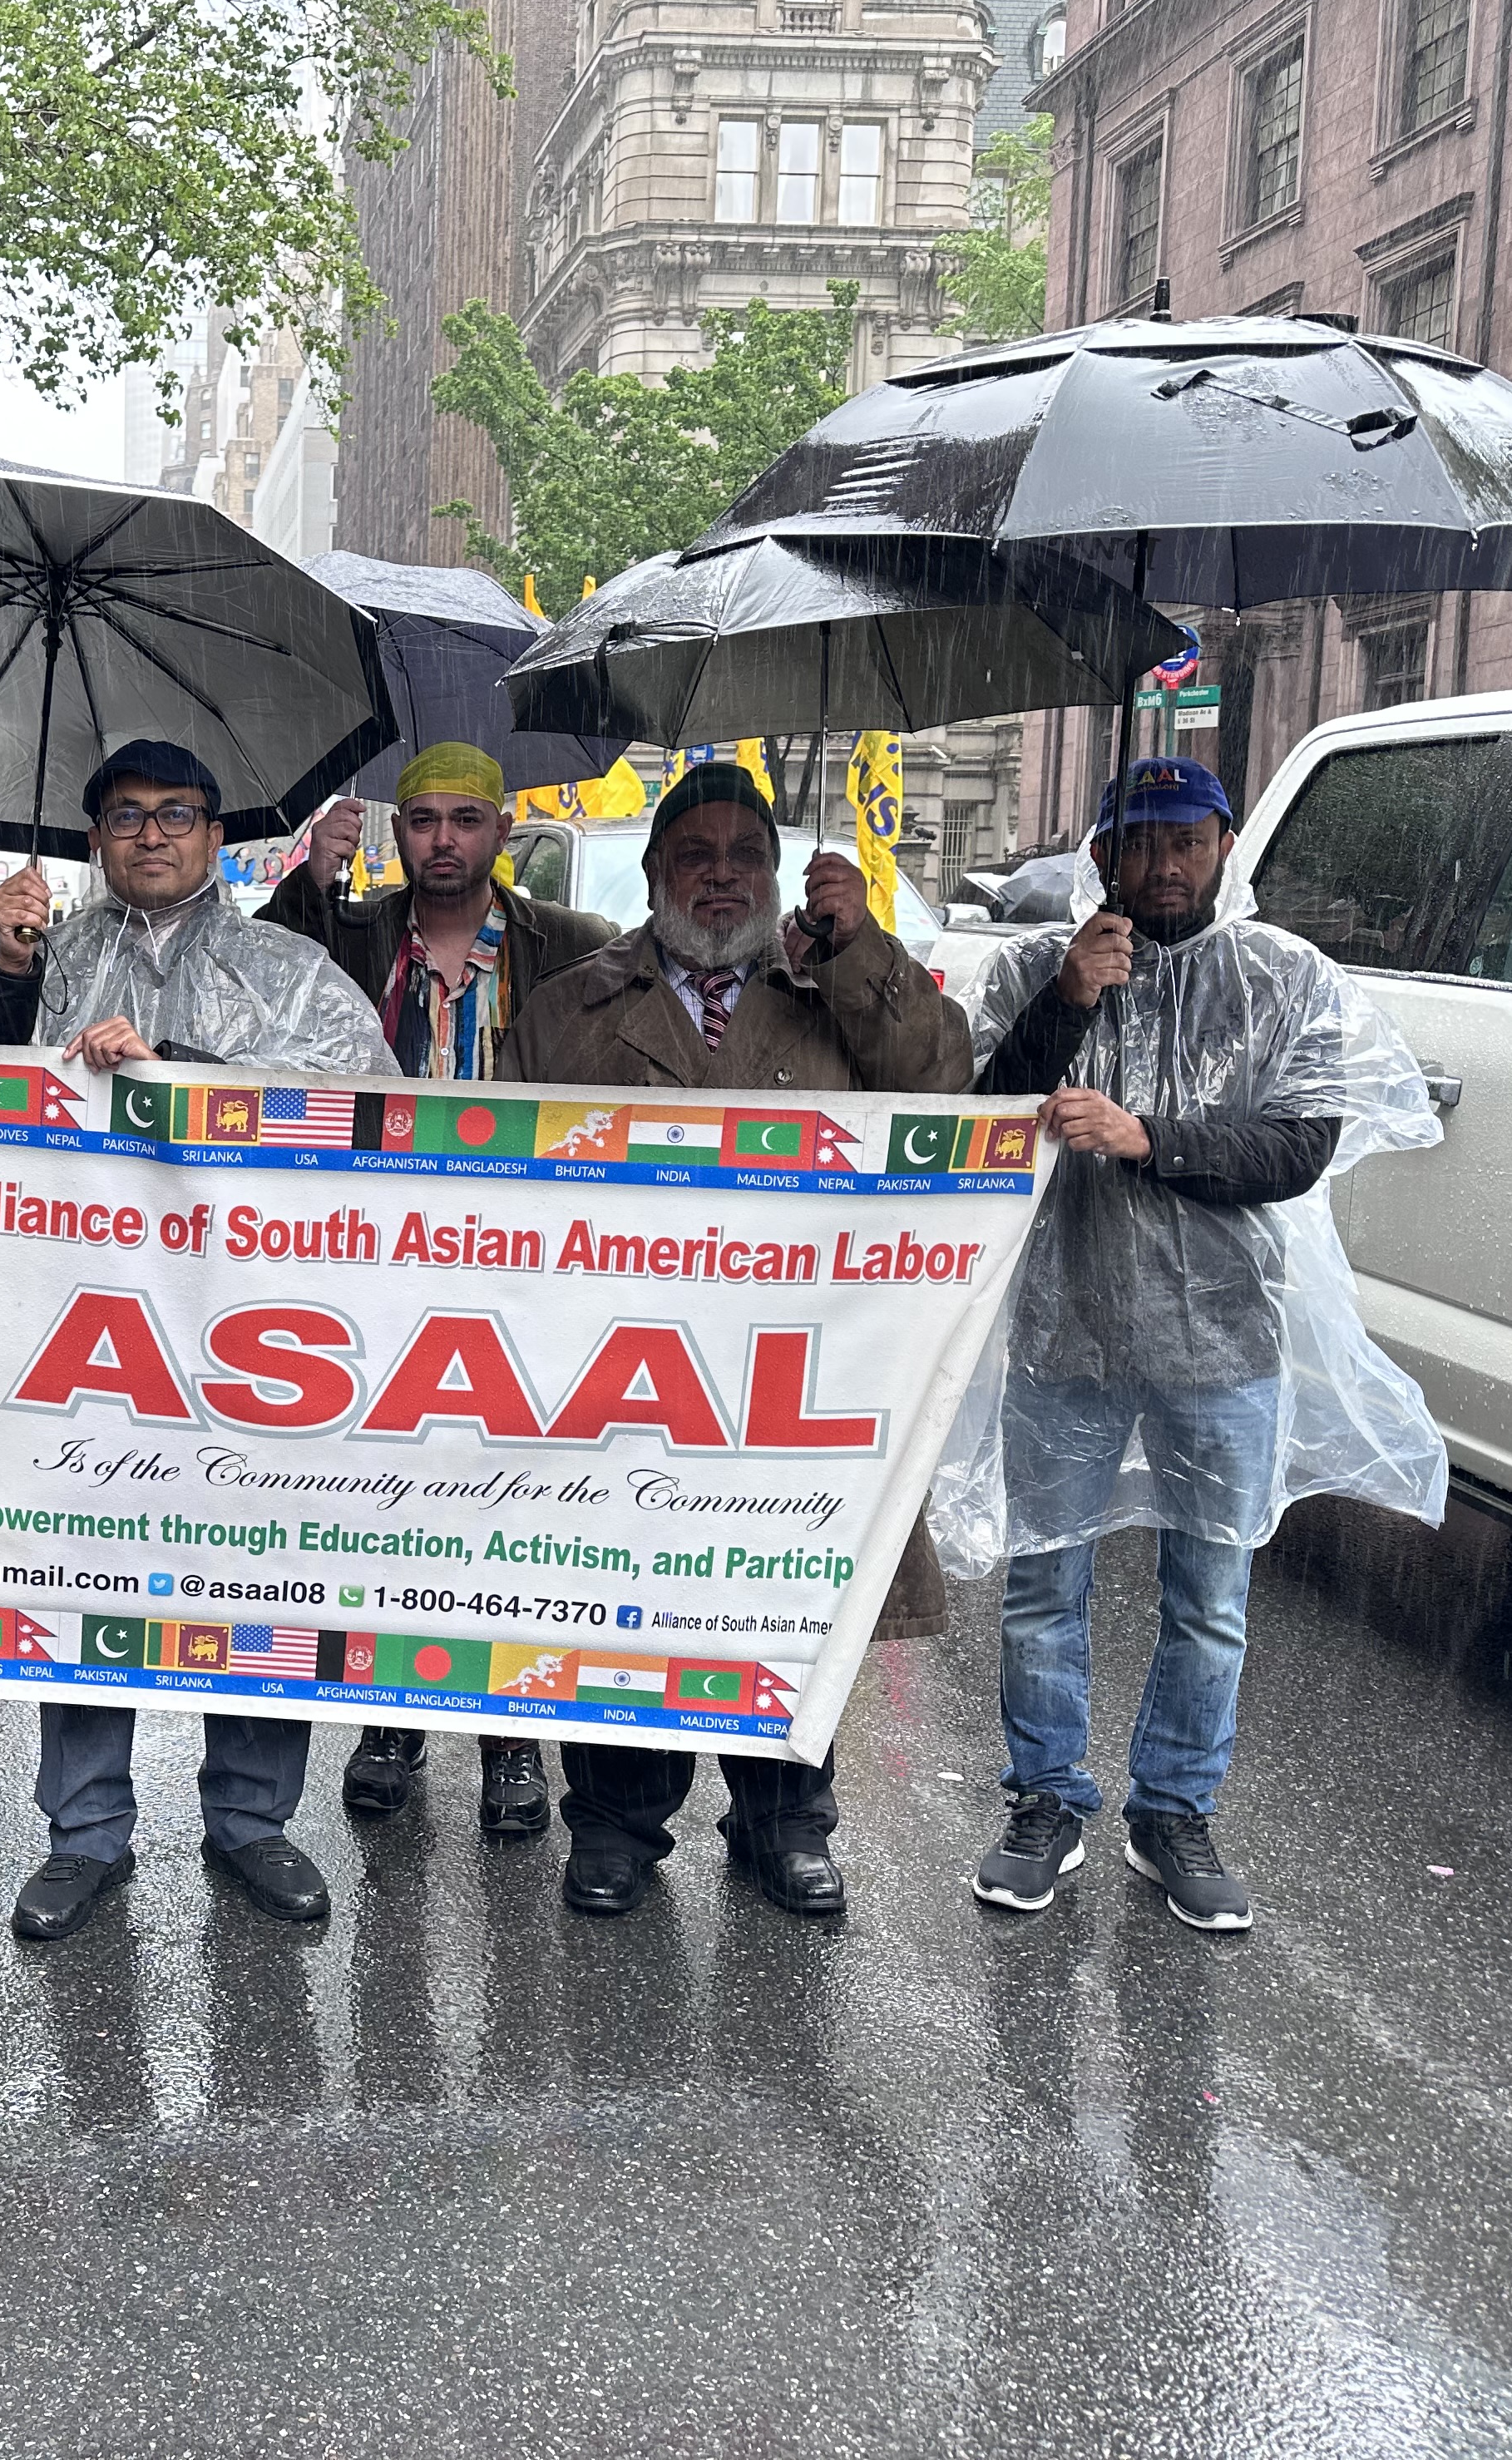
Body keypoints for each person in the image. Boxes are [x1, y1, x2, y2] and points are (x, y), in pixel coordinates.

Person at [953, 758, 1440, 1933]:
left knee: (1210, 1592)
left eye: (1188, 840)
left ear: (1225, 845)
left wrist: (1144, 1135)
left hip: (1222, 1339)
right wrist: (1069, 999)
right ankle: (1045, 1802)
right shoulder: (1033, 968)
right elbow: (971, 1118)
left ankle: (1173, 1811)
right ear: (1100, 852)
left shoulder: (1285, 978)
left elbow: (1293, 1153)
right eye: (1140, 841)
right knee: (1043, 1582)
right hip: (1063, 1327)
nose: (1164, 866)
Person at [502, 758, 972, 1919]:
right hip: (620, 1368)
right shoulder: (568, 1008)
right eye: (696, 856)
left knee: (786, 1594)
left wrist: (858, 947)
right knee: (622, 1597)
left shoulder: (840, 989)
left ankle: (786, 1823)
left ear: (777, 875)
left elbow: (946, 1083)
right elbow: (498, 1188)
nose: (722, 878)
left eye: (746, 857)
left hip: (793, 1367)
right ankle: (615, 1826)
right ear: (657, 873)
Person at [0, 738, 398, 1941]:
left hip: (246, 1331)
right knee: (85, 1564)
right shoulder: (45, 959)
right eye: (126, 816)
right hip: (84, 1328)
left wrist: (179, 1075)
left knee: (251, 1566)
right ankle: (85, 1832)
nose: (151, 835)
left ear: (217, 834)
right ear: (94, 837)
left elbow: (368, 1108)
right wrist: (5, 971)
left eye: (177, 814)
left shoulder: (284, 968)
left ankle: (253, 1820)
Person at [264, 742, 616, 1838]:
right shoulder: (350, 931)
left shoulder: (573, 949)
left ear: (502, 831)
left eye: (469, 819)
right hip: (376, 1268)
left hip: (525, 1270)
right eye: (425, 821)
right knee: (386, 1506)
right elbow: (263, 989)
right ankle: (390, 1720)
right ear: (396, 832)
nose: (446, 841)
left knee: (509, 1507)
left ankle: (512, 1737)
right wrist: (309, 880)